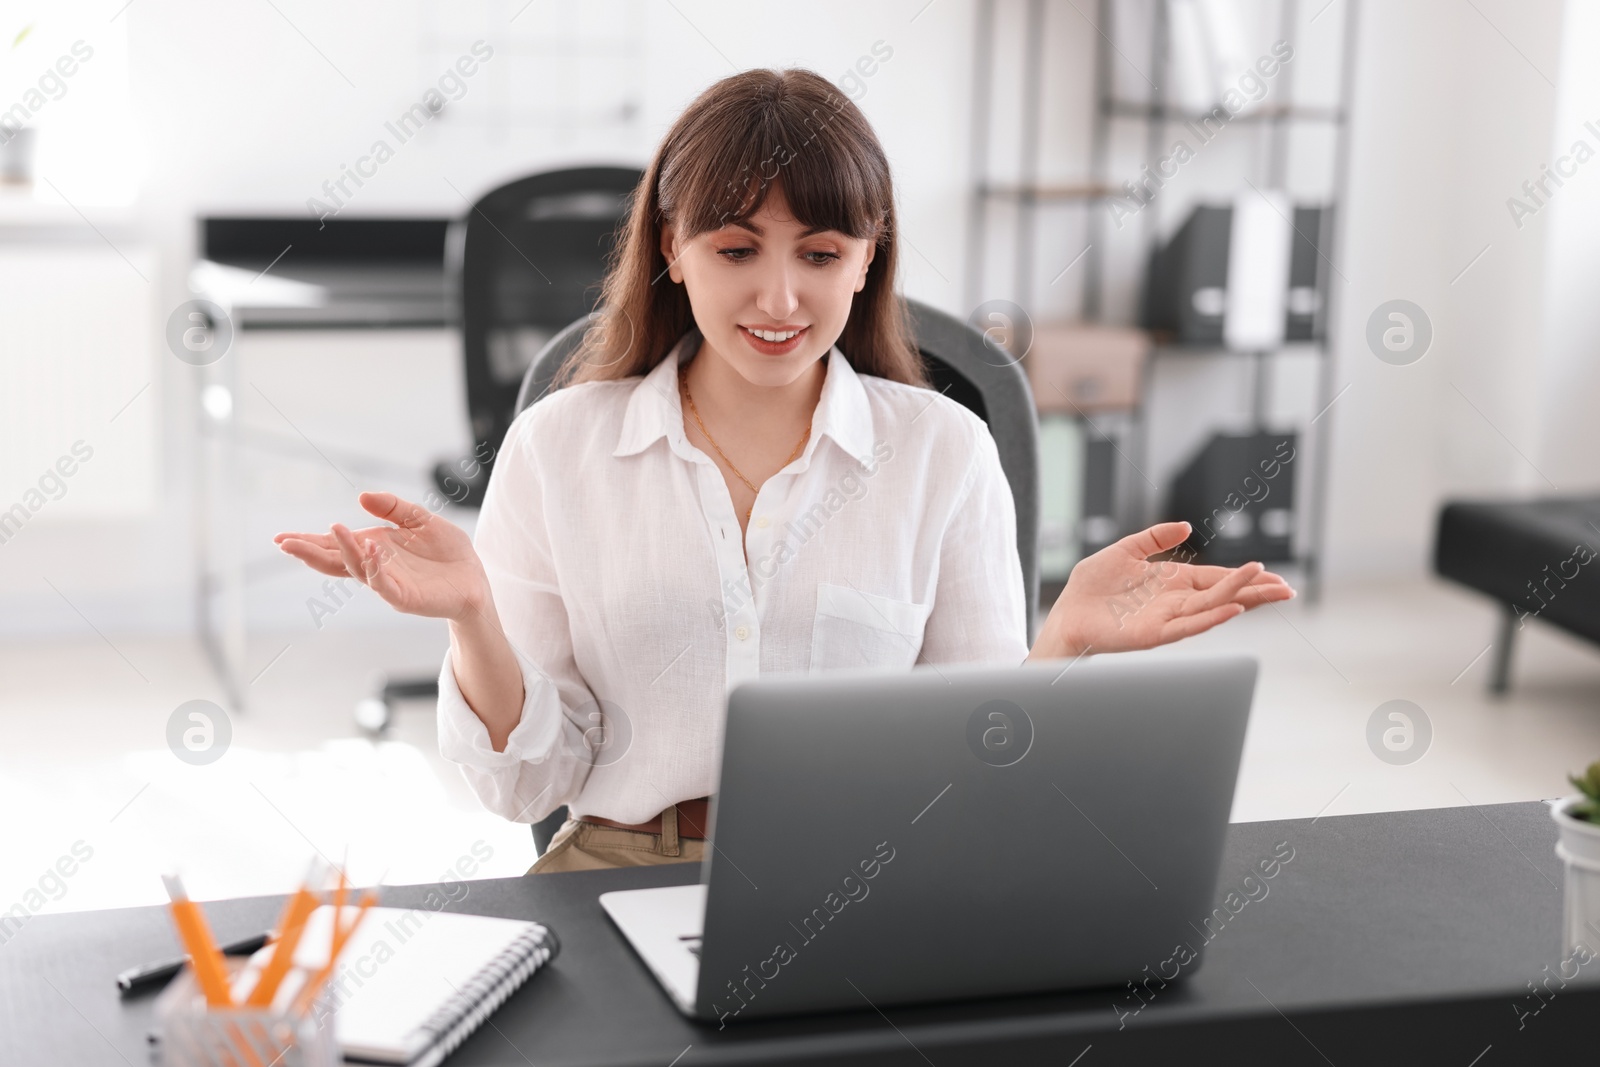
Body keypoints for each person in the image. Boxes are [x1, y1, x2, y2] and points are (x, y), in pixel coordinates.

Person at [274, 68, 1293, 874]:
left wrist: (1062, 642)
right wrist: (473, 619)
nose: (778, 297)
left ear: (866, 257)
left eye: (817, 253)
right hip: (621, 862)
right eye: (734, 249)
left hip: (868, 875)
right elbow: (524, 782)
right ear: (673, 248)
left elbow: (969, 772)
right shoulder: (560, 446)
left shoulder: (942, 450)